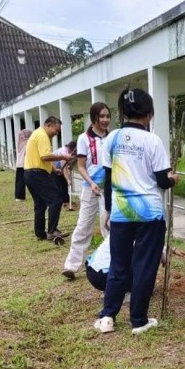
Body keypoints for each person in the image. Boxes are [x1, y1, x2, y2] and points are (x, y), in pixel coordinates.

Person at [93, 88, 178, 335]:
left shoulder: (112, 138)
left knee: (119, 265)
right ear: (149, 114)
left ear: (123, 113)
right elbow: (162, 181)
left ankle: (107, 317)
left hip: (121, 212)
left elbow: (108, 179)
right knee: (144, 266)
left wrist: (108, 210)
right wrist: (173, 179)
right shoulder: (153, 141)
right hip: (150, 214)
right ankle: (138, 320)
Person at [63, 102, 112, 280]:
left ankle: (111, 265)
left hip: (109, 189)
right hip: (90, 189)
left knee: (109, 226)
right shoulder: (84, 138)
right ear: (94, 118)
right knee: (83, 226)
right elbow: (81, 166)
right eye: (102, 116)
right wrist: (91, 183)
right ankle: (71, 266)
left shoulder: (112, 137)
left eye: (108, 116)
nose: (105, 120)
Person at [23, 116, 75, 243]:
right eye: (56, 130)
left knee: (40, 204)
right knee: (56, 200)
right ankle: (52, 231)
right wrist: (63, 156)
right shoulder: (42, 136)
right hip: (37, 174)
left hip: (30, 173)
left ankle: (40, 233)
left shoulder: (38, 134)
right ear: (49, 125)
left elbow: (41, 157)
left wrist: (54, 169)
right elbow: (45, 156)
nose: (56, 133)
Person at [14, 121, 36, 202]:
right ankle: (21, 196)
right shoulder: (28, 142)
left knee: (19, 181)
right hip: (25, 164)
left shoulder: (20, 142)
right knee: (27, 180)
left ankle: (18, 196)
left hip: (19, 164)